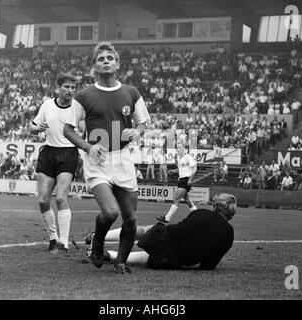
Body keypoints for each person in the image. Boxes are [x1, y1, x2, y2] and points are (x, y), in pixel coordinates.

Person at [63, 42, 151, 274]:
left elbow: (143, 123)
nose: (105, 61)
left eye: (109, 58)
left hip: (123, 159)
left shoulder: (131, 92)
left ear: (117, 64)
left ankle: (121, 261)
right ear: (94, 66)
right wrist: (87, 147)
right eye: (100, 58)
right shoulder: (83, 95)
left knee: (130, 219)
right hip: (97, 161)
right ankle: (97, 245)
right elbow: (68, 129)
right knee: (111, 212)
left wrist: (136, 131)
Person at [84, 193, 236, 270]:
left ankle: (97, 236)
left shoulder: (201, 212)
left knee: (142, 230)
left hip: (162, 237)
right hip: (173, 260)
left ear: (216, 206)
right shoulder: (229, 235)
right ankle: (108, 255)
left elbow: (185, 228)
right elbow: (207, 266)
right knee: (142, 258)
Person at [30, 72, 80, 253]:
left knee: (60, 198)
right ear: (58, 88)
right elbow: (32, 128)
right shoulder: (47, 105)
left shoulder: (77, 107)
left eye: (73, 87)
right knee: (43, 200)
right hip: (48, 152)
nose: (70, 90)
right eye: (66, 87)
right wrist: (38, 128)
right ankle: (53, 239)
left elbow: (84, 126)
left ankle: (64, 243)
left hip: (68, 153)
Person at [156, 141, 197, 224]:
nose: (178, 149)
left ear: (183, 148)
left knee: (176, 198)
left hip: (186, 179)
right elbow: (180, 169)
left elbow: (194, 168)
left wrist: (190, 179)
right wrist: (173, 171)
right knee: (187, 200)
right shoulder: (179, 158)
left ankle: (167, 218)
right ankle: (197, 215)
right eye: (177, 147)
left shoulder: (188, 157)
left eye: (180, 147)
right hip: (181, 179)